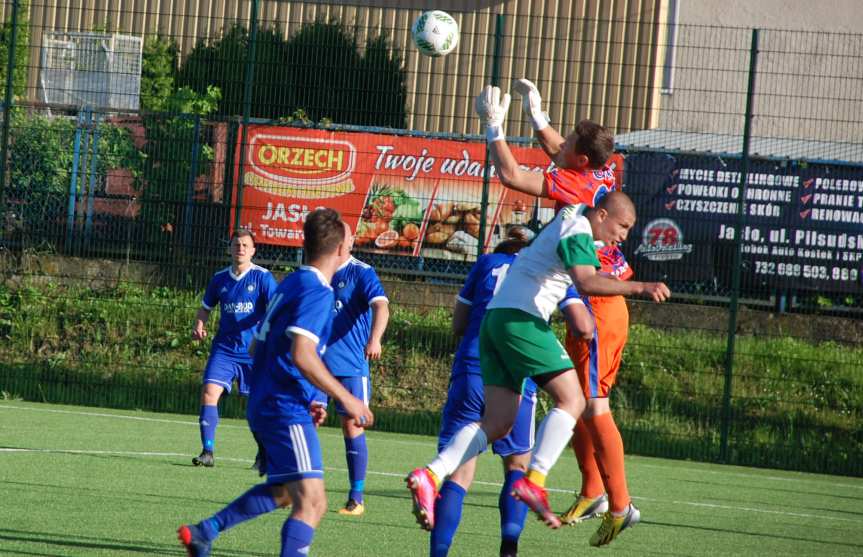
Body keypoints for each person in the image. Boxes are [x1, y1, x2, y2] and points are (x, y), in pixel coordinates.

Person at [406, 85, 670, 543]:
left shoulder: (582, 203)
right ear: (604, 213)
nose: (623, 238)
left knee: (498, 422)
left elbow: (559, 155)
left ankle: (432, 472)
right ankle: (539, 480)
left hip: (497, 321)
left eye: (566, 142)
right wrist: (641, 285)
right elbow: (585, 281)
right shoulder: (577, 220)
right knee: (574, 400)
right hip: (525, 320)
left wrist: (530, 118)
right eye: (623, 228)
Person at [178, 208, 374, 557]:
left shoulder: (293, 283)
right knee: (312, 504)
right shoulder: (317, 291)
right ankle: (207, 532)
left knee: (286, 491)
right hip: (283, 407)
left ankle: (206, 531)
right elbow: (302, 353)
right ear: (342, 249)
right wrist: (348, 398)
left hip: (269, 401)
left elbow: (258, 344)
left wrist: (310, 395)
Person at [514, 78, 641, 546]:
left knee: (593, 404)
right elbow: (560, 150)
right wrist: (537, 114)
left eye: (567, 142)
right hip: (586, 305)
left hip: (600, 305)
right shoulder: (600, 174)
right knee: (575, 402)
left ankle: (620, 503)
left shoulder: (575, 183)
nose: (558, 144)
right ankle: (593, 490)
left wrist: (497, 128)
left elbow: (515, 176)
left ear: (579, 160)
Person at [191, 229, 278, 468]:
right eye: (236, 245)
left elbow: (276, 310)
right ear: (230, 249)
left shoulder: (263, 278)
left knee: (256, 407)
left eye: (244, 245)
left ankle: (263, 454)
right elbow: (205, 307)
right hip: (224, 349)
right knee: (209, 393)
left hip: (254, 353)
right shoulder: (219, 278)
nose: (240, 249)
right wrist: (199, 324)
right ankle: (207, 452)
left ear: (253, 251)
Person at [322, 251, 390, 516]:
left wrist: (375, 339)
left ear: (348, 242)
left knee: (351, 427)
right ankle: (296, 488)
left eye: (345, 237)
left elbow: (381, 306)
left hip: (350, 365)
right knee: (302, 420)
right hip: (315, 364)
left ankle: (356, 497)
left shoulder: (362, 272)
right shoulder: (318, 269)